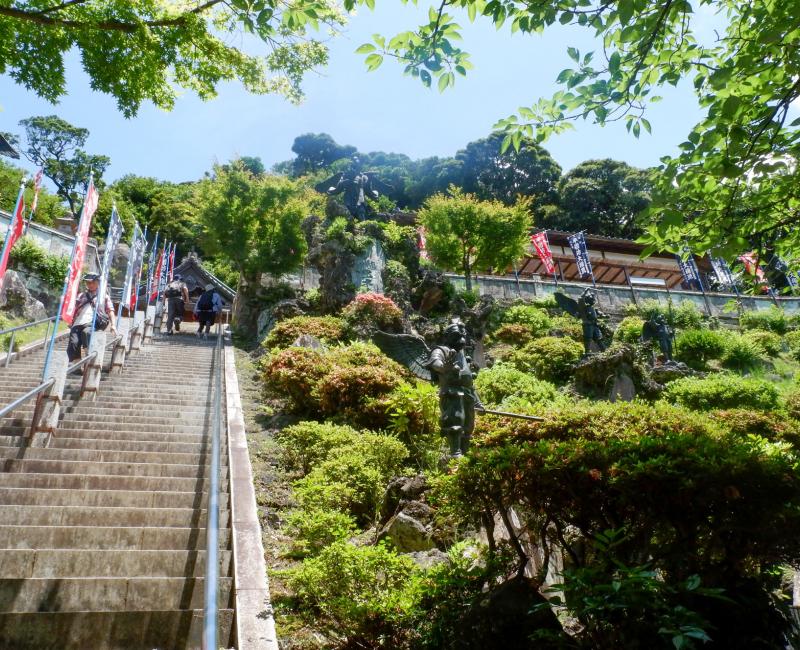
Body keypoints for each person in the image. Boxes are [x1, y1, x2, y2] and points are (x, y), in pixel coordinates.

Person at [67, 272, 117, 362]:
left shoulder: (103, 297)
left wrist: (113, 325)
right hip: (78, 322)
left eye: (92, 282)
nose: (90, 285)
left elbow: (110, 310)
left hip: (93, 322)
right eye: (88, 283)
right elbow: (74, 308)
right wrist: (71, 321)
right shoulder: (81, 295)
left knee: (86, 333)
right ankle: (77, 365)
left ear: (98, 282)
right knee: (73, 342)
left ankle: (89, 355)